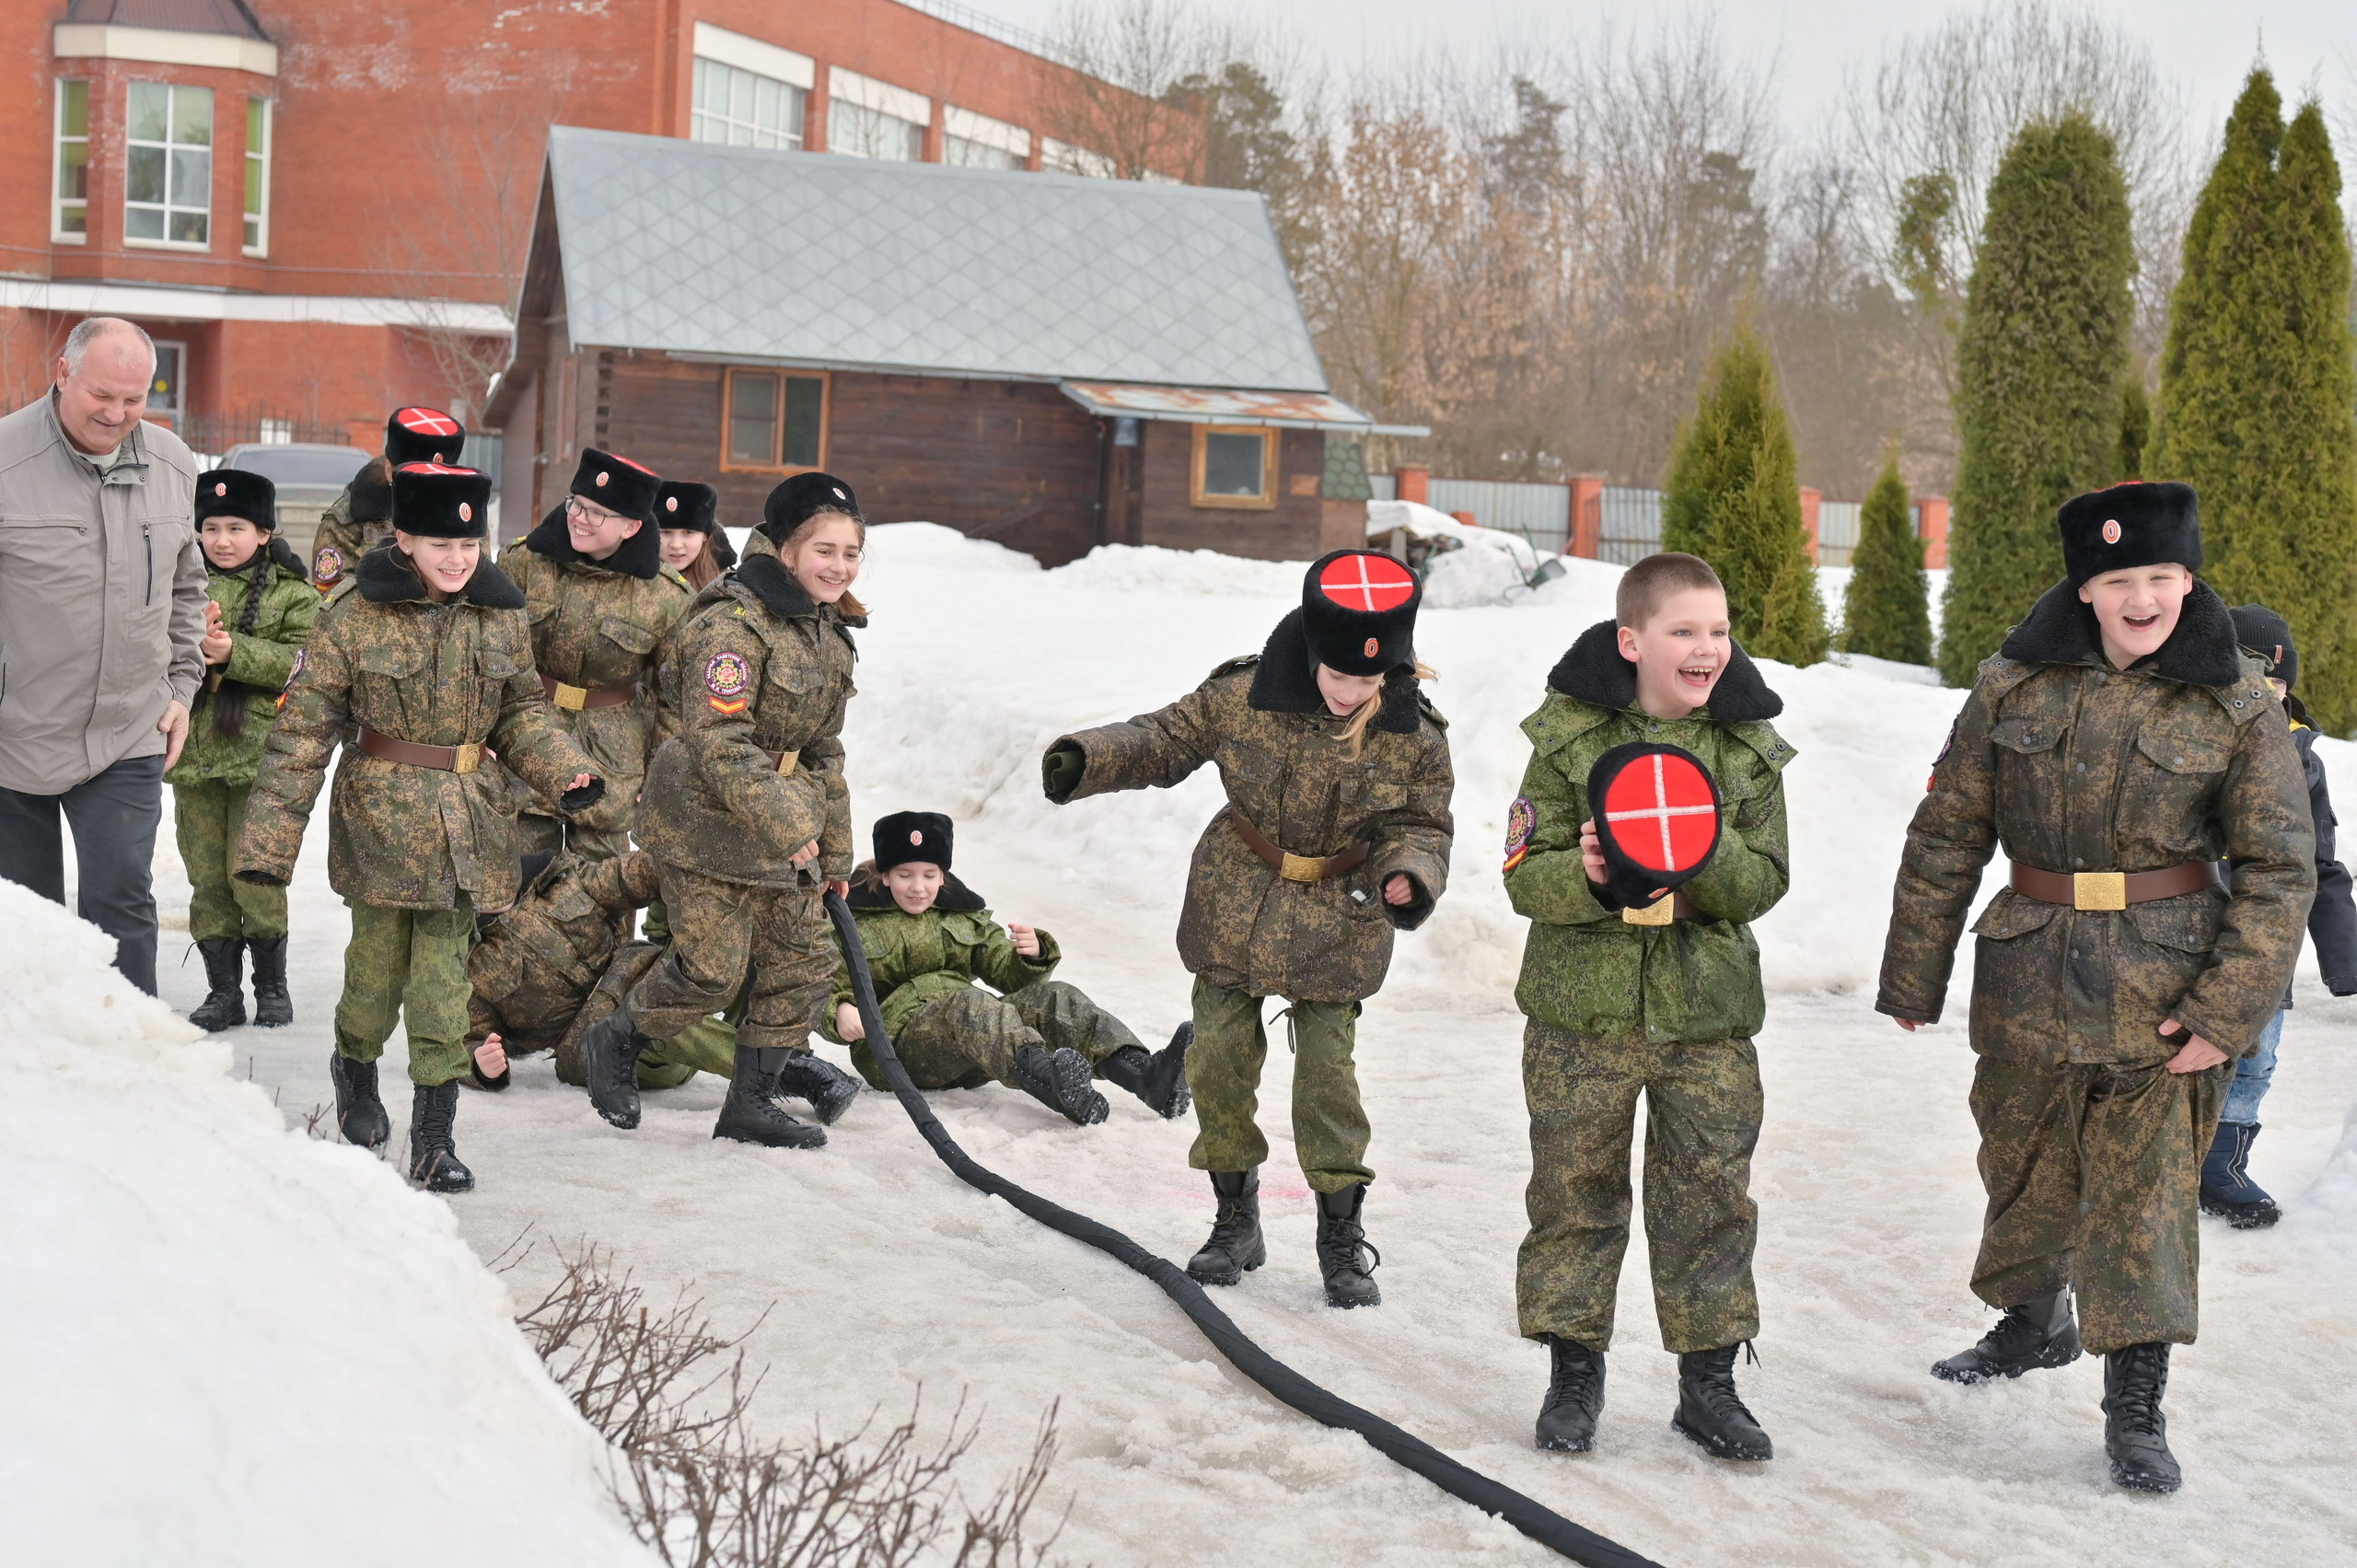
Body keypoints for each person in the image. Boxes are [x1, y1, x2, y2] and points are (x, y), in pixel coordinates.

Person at [1878, 482, 2313, 1494]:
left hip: (2165, 991)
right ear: (2085, 586)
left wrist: (2223, 1013)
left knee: (2144, 1203)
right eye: (2119, 579)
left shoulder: (2238, 702)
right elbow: (1947, 834)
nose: (2142, 597)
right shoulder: (2010, 685)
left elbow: (2280, 868)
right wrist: (1914, 971)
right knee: (2021, 1169)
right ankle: (2033, 1322)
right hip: (2028, 972)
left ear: (2188, 579)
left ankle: (2135, 1405)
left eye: (2159, 576)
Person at [1040, 549, 1455, 1309]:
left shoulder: (1413, 732)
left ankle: (1339, 1235)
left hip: (1342, 913)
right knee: (1220, 1061)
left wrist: (1410, 871)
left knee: (1329, 1079)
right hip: (1239, 897)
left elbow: (1423, 823)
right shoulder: (1245, 694)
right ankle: (1235, 1218)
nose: (1352, 692)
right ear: (1310, 650)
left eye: (1369, 680)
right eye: (1339, 676)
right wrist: (1088, 758)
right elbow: (1164, 738)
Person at [236, 462, 603, 1193]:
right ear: (403, 537)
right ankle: (356, 1067)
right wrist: (268, 845)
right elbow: (302, 733)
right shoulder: (351, 613)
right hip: (381, 821)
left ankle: (435, 1135)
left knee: (443, 984)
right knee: (374, 973)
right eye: (441, 543)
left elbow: (523, 710)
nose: (458, 559)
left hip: (469, 824)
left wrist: (567, 769)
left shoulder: (500, 613)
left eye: (469, 544)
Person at [1504, 552, 1794, 1462]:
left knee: (1709, 1199)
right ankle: (1572, 1374)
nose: (1705, 647)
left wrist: (1699, 850)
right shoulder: (1563, 740)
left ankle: (1707, 1385)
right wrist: (1585, 873)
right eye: (1683, 631)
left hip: (1704, 1018)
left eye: (1717, 630)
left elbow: (1768, 878)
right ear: (1633, 641)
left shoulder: (1749, 748)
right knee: (1572, 1193)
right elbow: (1521, 874)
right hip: (1579, 1017)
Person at [574, 471, 869, 1150]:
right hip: (704, 821)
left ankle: (751, 1104)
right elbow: (720, 741)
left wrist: (836, 848)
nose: (839, 566)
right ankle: (616, 1035)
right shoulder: (732, 623)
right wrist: (792, 827)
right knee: (713, 970)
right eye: (824, 550)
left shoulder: (826, 628)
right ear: (785, 548)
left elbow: (822, 750)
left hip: (783, 822)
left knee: (802, 964)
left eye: (850, 553)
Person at [0, 317, 204, 995]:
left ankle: (130, 1065)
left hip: (126, 732)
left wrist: (181, 689)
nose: (117, 414)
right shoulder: (5, 460)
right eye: (102, 396)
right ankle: (37, 1076)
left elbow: (186, 590)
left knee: (122, 908)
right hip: (15, 737)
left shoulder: (174, 463)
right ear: (63, 373)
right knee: (25, 921)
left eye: (134, 399)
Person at [822, 810, 1193, 1124]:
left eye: (929, 875)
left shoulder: (962, 916)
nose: (918, 887)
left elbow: (1004, 971)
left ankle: (1146, 1076)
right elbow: (822, 981)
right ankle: (1054, 1084)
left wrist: (1031, 955)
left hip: (977, 1042)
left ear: (943, 875)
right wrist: (838, 1010)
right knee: (972, 1005)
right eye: (905, 875)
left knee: (1055, 998)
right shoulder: (853, 921)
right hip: (897, 1048)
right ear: (885, 875)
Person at [2200, 604, 2357, 1226]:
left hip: (2271, 948)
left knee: (2256, 1058)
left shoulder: (2302, 759)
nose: (2267, 695)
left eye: (2279, 683)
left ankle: (2222, 1167)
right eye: (2253, 677)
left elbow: (2320, 866)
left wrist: (2346, 959)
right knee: (2188, 1053)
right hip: (2195, 936)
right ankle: (2161, 1164)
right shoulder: (2193, 740)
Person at [168, 468, 321, 1031]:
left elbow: (308, 666)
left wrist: (237, 652)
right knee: (206, 878)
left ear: (264, 533)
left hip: (259, 762)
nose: (222, 540)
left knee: (254, 876)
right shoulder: (180, 587)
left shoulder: (293, 594)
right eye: (210, 527)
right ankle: (223, 992)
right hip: (193, 761)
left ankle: (271, 987)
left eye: (237, 527)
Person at [503, 449, 691, 865]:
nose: (580, 519)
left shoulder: (665, 596)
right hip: (530, 739)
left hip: (613, 755)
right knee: (518, 878)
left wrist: (660, 773)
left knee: (604, 888)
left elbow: (673, 698)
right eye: (577, 504)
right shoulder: (524, 563)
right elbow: (490, 658)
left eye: (598, 513)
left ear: (633, 526)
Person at [463, 847, 742, 1095]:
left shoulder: (559, 881)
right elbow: (465, 1040)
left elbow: (630, 875)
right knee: (651, 1017)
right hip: (609, 1052)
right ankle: (767, 1071)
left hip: (648, 982)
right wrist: (479, 1064)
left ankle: (770, 1046)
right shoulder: (471, 964)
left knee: (728, 928)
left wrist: (684, 862)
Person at [310, 408, 462, 591]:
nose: (429, 492)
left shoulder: (465, 515)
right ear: (389, 471)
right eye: (417, 480)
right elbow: (335, 603)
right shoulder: (346, 522)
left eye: (442, 481)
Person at [655, 479, 736, 592]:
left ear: (705, 536)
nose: (676, 544)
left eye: (688, 532)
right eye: (666, 532)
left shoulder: (726, 587)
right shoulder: (632, 582)